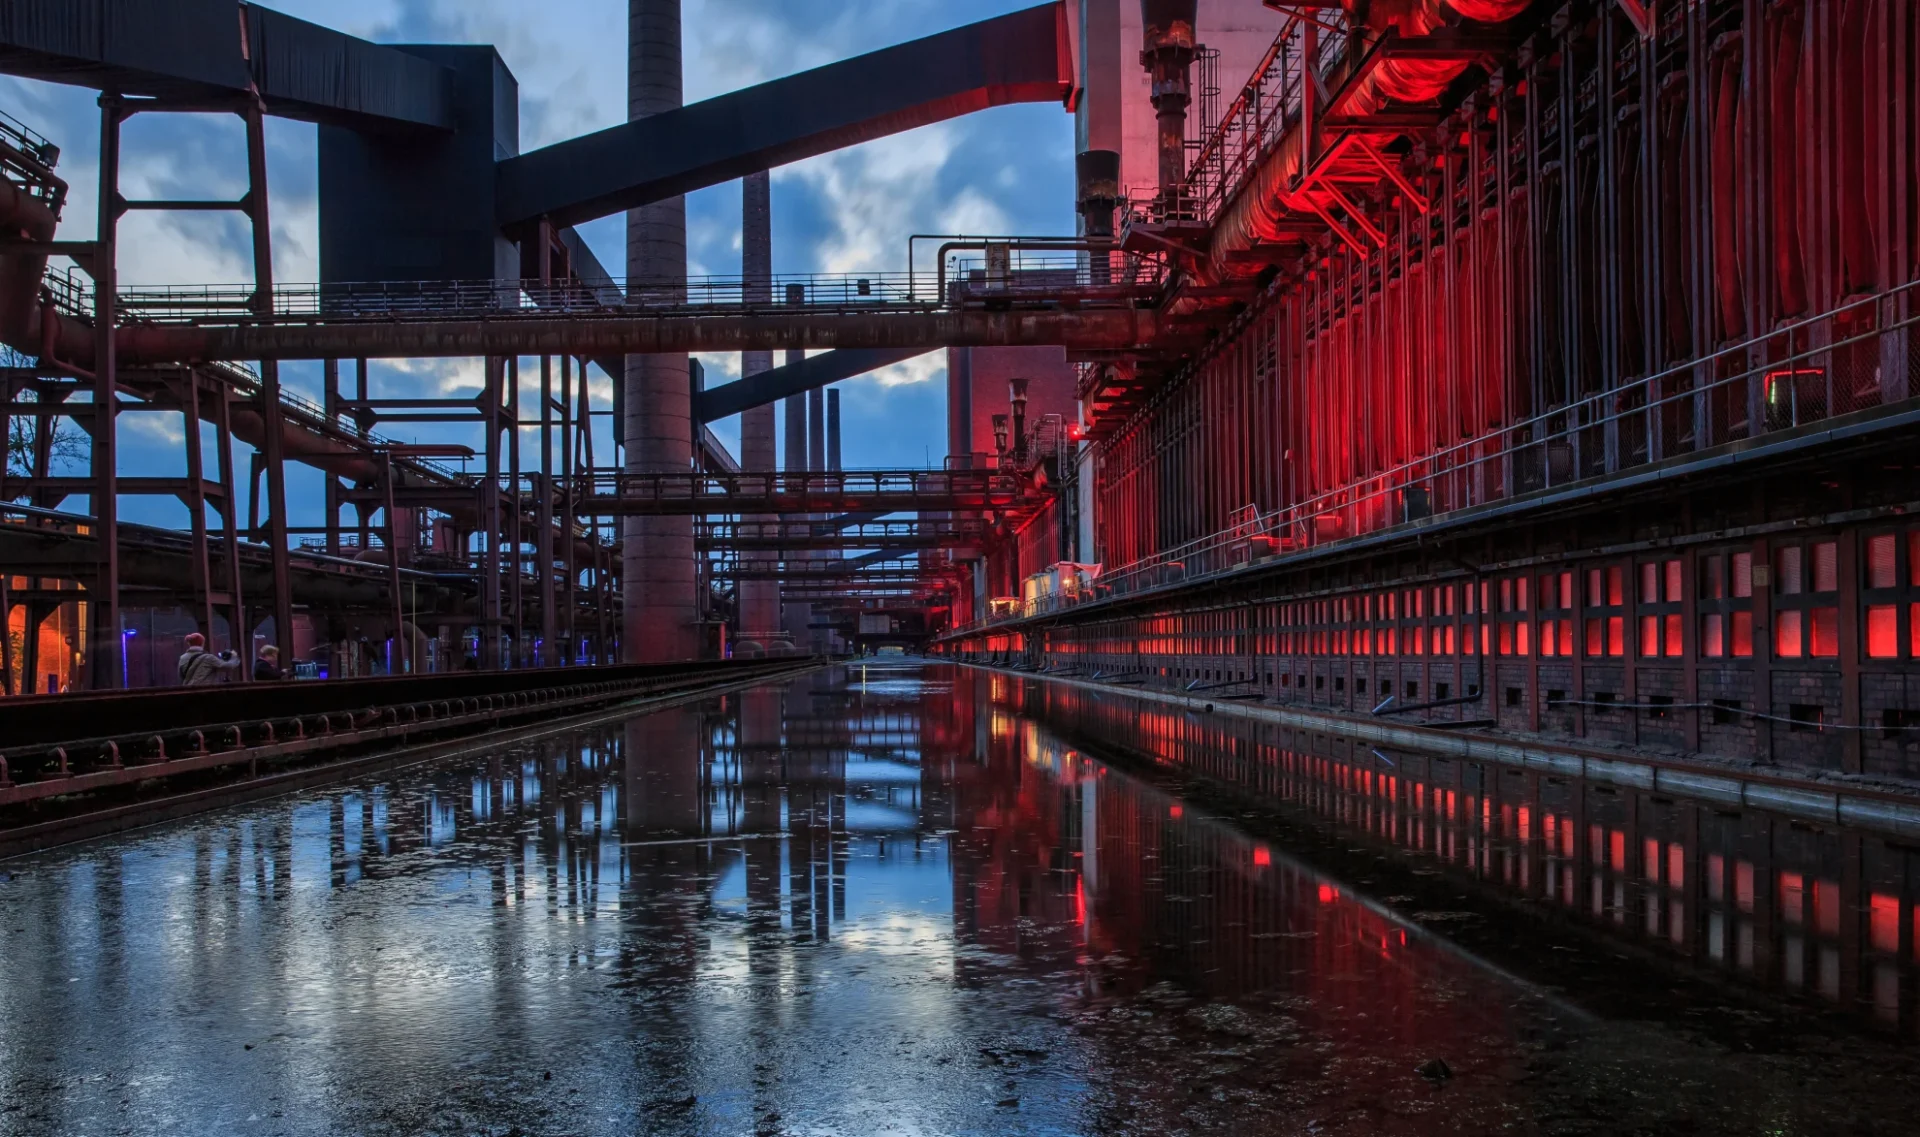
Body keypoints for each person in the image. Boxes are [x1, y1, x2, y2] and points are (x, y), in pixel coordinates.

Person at [178, 632, 242, 686]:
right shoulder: (208, 658)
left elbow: (181, 676)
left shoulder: (182, 658)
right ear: (202, 643)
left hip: (188, 691)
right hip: (204, 691)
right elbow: (228, 666)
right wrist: (234, 657)